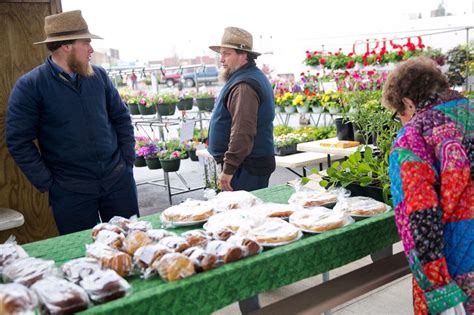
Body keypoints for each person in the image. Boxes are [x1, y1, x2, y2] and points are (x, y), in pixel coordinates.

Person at [6, 10, 139, 235]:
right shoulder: (30, 86)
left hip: (117, 182)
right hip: (70, 192)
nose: (91, 49)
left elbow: (121, 119)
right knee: (83, 253)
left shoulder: (99, 76)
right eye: (86, 42)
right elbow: (18, 140)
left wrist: (126, 162)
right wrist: (49, 183)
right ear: (65, 46)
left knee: (132, 243)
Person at [382, 56, 473, 314]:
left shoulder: (413, 137)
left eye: (398, 113)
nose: (401, 119)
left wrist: (437, 290)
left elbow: (419, 220)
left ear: (409, 103)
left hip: (460, 271)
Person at [207, 26, 276, 192]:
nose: (221, 59)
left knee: (244, 215)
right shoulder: (246, 77)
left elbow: (242, 130)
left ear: (243, 55)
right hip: (246, 166)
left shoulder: (244, 85)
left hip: (246, 168)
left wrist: (228, 169)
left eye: (227, 54)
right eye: (221, 54)